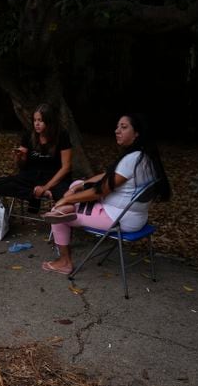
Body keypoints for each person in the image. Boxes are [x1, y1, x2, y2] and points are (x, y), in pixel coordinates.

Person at [40, 113, 171, 275]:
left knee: (56, 216)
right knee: (75, 185)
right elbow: (108, 175)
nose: (117, 131)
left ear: (137, 133)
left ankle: (64, 261)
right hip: (133, 215)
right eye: (117, 127)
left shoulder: (131, 160)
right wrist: (80, 185)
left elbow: (99, 191)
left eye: (123, 127)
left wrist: (66, 199)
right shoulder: (144, 156)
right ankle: (69, 209)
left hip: (118, 219)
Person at [0, 103, 73, 212]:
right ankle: (34, 193)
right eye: (35, 120)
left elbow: (66, 167)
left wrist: (46, 187)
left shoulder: (62, 136)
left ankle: (43, 194)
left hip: (53, 177)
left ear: (50, 122)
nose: (37, 124)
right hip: (31, 177)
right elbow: (21, 165)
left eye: (40, 120)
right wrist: (19, 157)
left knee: (66, 194)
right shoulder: (29, 135)